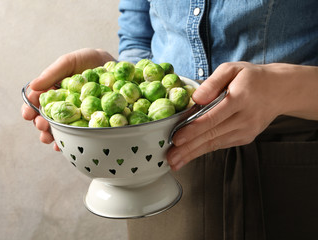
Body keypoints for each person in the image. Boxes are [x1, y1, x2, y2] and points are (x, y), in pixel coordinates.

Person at [22, 0, 318, 239]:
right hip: (161, 159)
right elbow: (137, 35)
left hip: (288, 155)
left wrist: (286, 89)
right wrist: (121, 81)